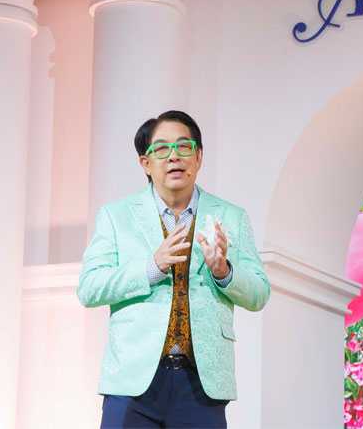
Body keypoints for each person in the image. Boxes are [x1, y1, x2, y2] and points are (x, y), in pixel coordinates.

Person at [77, 110, 270, 428]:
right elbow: (89, 288)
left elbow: (260, 293)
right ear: (146, 163)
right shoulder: (116, 215)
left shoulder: (231, 216)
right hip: (132, 381)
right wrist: (151, 266)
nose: (173, 156)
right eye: (162, 148)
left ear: (198, 156)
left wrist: (223, 271)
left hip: (202, 385)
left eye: (183, 146)